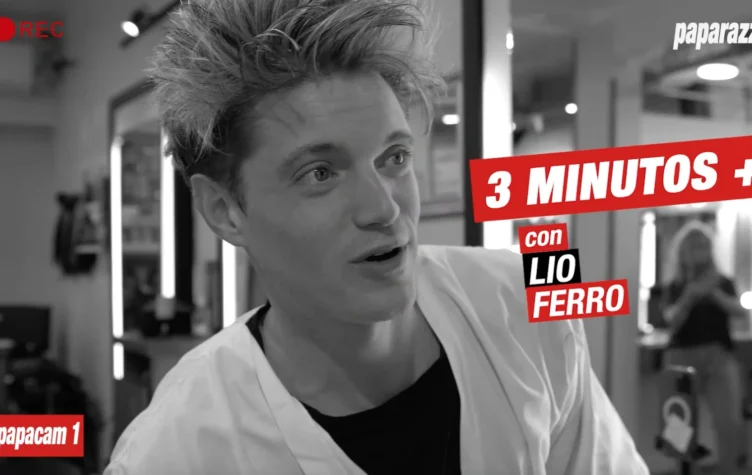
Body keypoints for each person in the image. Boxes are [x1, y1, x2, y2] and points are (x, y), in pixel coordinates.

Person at [104, 0, 648, 473]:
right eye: (320, 173)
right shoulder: (175, 449)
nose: (384, 208)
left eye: (394, 157)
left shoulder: (520, 303)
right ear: (224, 211)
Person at [662, 220, 747, 474]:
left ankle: (729, 469)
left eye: (704, 244)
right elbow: (671, 321)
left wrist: (713, 293)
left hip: (719, 357)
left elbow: (740, 312)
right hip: (681, 357)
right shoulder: (675, 286)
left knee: (729, 422)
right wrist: (690, 295)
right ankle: (684, 471)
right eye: (694, 245)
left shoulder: (723, 282)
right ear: (683, 250)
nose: (700, 250)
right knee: (679, 425)